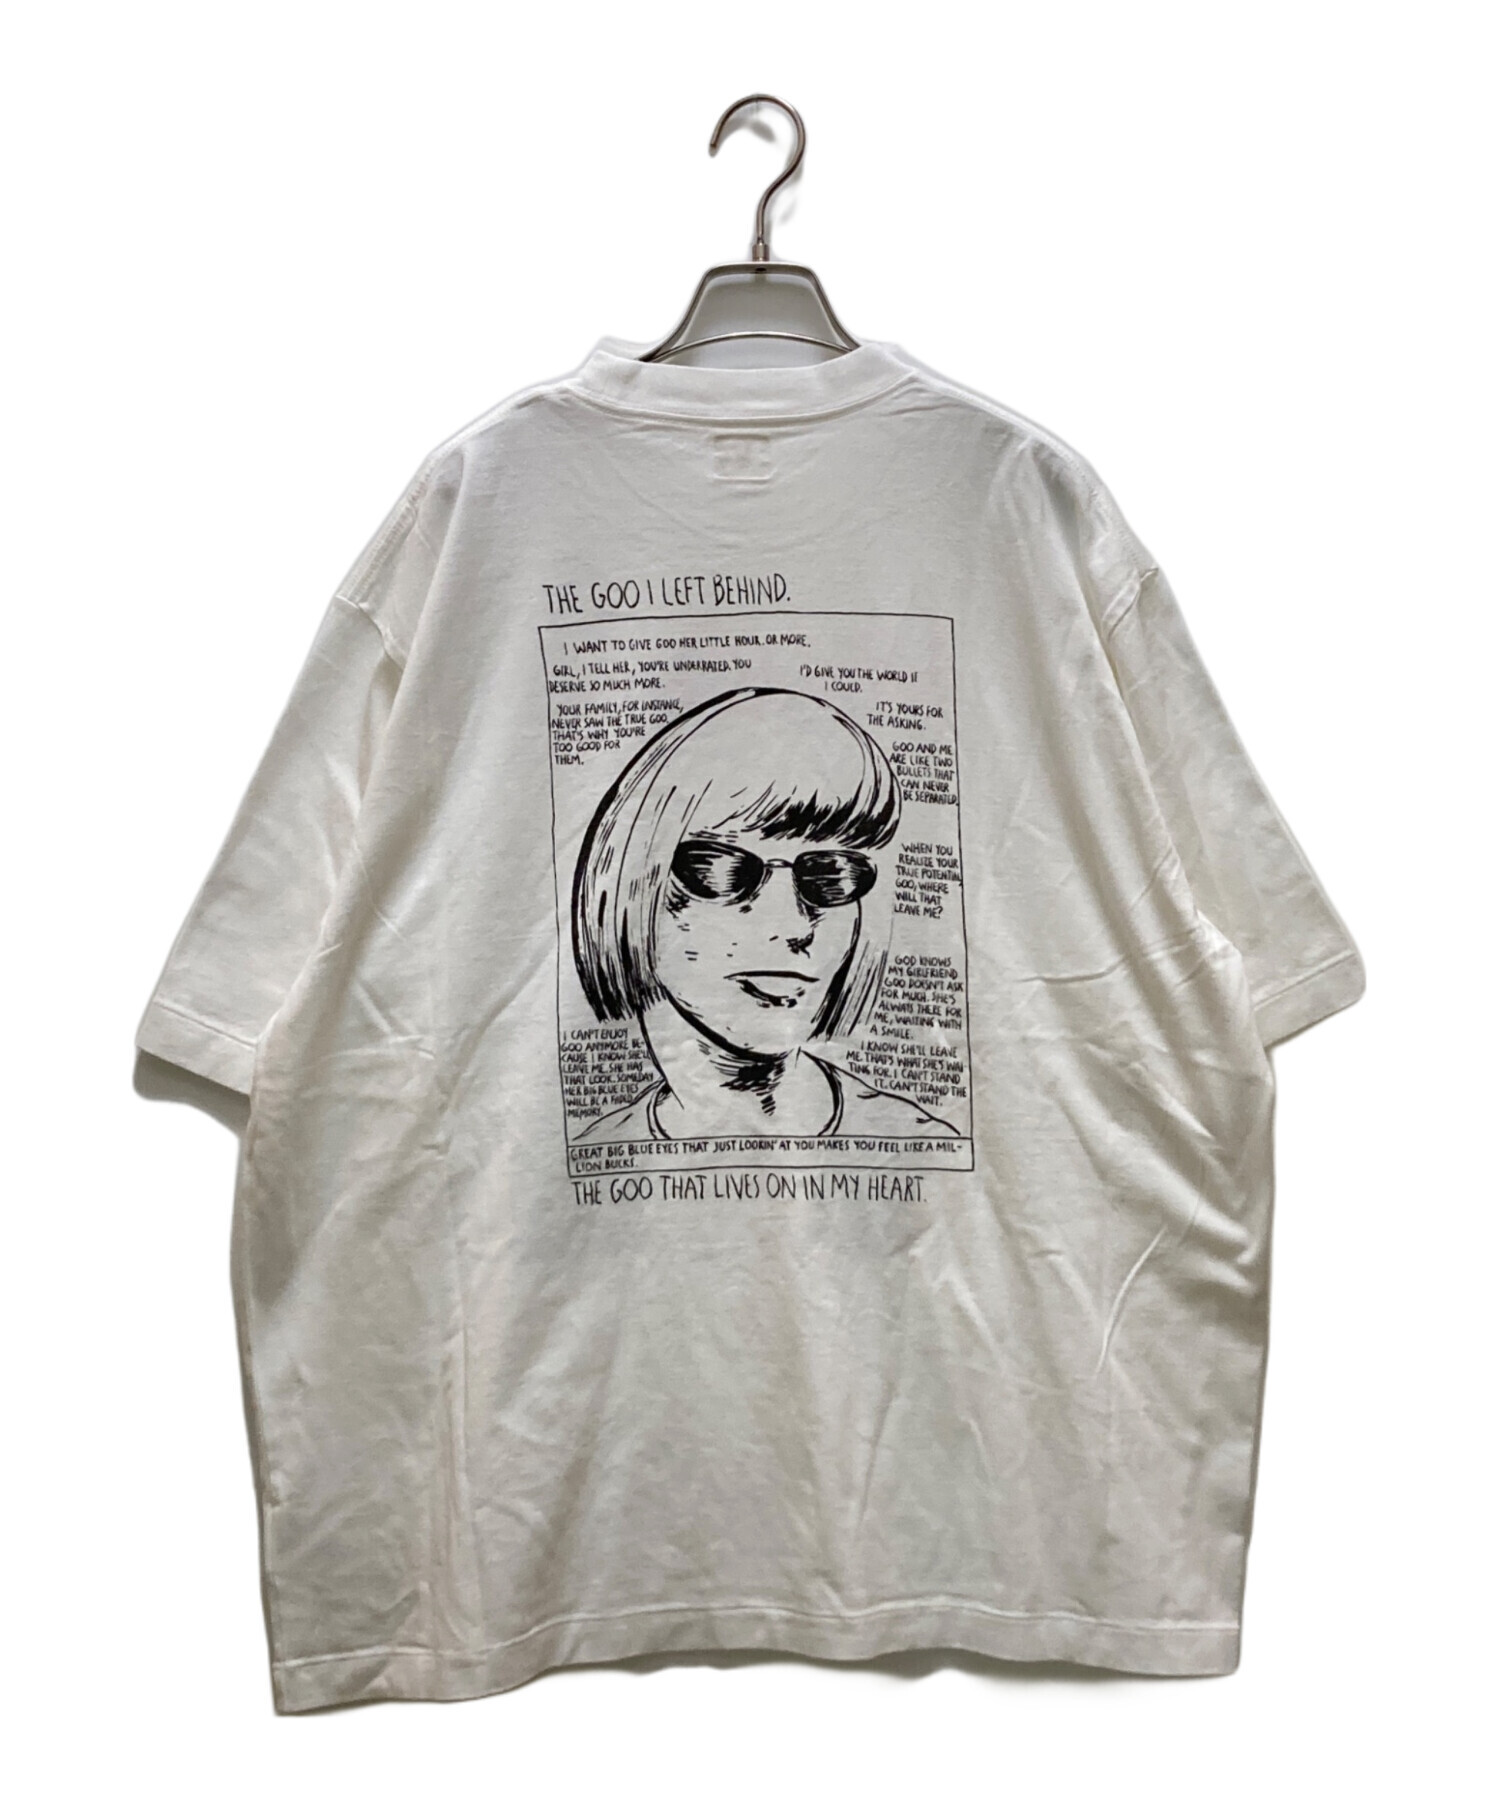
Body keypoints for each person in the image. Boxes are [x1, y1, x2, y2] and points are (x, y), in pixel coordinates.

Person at [569, 686, 960, 1143]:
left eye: (830, 877)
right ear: (633, 880)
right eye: (722, 870)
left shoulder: (923, 1144)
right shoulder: (596, 1148)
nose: (792, 926)